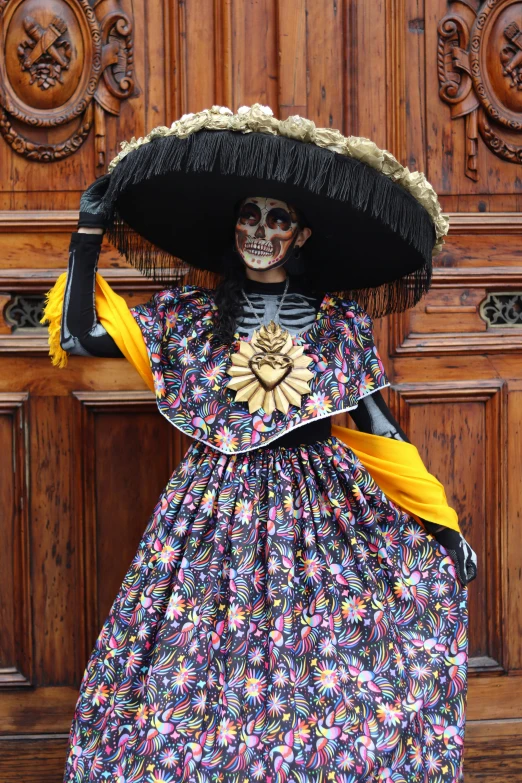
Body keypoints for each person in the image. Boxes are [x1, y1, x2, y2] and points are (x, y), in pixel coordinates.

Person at [44, 105, 476, 783]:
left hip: (320, 508)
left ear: (300, 234)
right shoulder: (189, 318)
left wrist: (439, 524)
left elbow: (379, 429)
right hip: (214, 508)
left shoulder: (338, 325)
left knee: (329, 667)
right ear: (234, 225)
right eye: (250, 216)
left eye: (278, 220)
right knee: (194, 664)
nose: (260, 231)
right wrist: (87, 231)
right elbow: (78, 338)